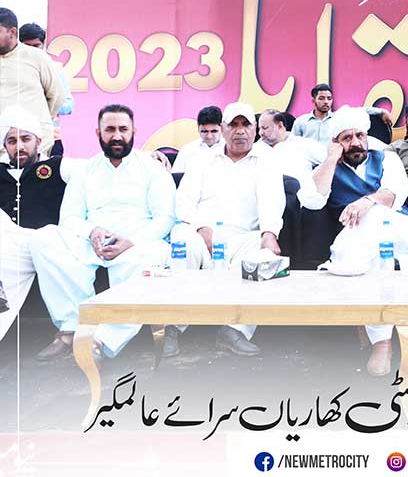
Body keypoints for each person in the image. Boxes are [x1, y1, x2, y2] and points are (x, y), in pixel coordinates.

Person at [30, 104, 176, 361]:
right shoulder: (86, 169)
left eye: (123, 129)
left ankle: (101, 341)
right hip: (92, 242)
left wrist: (132, 241)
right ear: (98, 133)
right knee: (43, 239)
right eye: (109, 129)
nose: (117, 136)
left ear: (134, 131)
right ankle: (73, 328)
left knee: (151, 259)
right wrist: (92, 231)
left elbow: (165, 218)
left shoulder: (152, 168)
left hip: (138, 243)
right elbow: (69, 217)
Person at [298, 105, 408, 376]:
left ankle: (376, 337)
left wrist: (366, 203)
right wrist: (331, 160)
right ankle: (383, 342)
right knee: (379, 253)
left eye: (360, 135)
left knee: (375, 216)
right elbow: (312, 201)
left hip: (400, 231)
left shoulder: (386, 159)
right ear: (336, 142)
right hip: (363, 243)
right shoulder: (326, 168)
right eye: (347, 138)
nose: (356, 142)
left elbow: (394, 194)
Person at [171, 102, 286, 357]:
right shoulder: (202, 160)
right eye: (233, 125)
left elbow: (272, 203)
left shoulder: (267, 162)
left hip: (242, 238)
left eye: (246, 124)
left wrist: (269, 235)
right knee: (182, 242)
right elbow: (184, 201)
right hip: (201, 235)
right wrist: (202, 230)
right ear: (223, 129)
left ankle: (233, 330)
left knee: (266, 256)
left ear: (255, 130)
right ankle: (172, 328)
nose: (240, 130)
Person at [0, 107, 79, 340]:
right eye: (12, 141)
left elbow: (100, 166)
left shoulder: (59, 166)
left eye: (25, 139)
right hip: (8, 248)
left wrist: (150, 157)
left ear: (39, 141)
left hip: (45, 245)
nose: (19, 146)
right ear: (5, 146)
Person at [0, 8, 63, 156]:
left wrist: (39, 121)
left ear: (13, 32)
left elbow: (56, 95)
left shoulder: (37, 57)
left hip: (36, 146)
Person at [19, 23, 74, 154]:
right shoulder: (11, 70)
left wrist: (42, 101)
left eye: (36, 46)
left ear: (43, 45)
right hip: (19, 139)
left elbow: (68, 105)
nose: (32, 52)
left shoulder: (55, 69)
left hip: (51, 137)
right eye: (27, 46)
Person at [254, 108, 325, 182]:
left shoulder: (305, 145)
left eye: (265, 128)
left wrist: (313, 180)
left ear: (280, 126)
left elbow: (329, 161)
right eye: (259, 128)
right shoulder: (254, 149)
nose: (260, 133)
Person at [171, 105, 224, 174]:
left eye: (214, 131)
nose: (209, 136)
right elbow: (176, 176)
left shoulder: (231, 150)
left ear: (222, 128)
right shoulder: (187, 150)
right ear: (198, 128)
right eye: (204, 131)